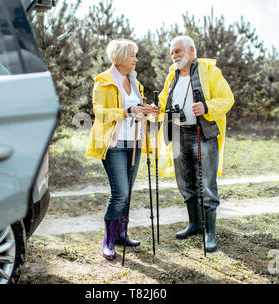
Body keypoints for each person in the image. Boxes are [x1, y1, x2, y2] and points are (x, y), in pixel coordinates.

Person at [152, 35, 234, 252]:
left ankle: (209, 233)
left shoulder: (210, 72)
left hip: (203, 134)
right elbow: (162, 103)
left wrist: (207, 107)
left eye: (178, 51)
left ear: (191, 51)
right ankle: (194, 224)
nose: (174, 55)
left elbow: (228, 99)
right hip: (178, 134)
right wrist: (152, 109)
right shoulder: (172, 76)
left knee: (206, 184)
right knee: (185, 182)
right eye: (172, 52)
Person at [86, 39, 153, 260]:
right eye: (132, 55)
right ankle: (108, 240)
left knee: (128, 193)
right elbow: (100, 113)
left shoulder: (136, 83)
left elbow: (137, 111)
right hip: (113, 144)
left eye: (136, 55)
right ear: (120, 57)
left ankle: (122, 234)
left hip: (135, 142)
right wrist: (127, 110)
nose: (136, 59)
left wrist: (147, 110)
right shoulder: (103, 82)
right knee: (120, 193)